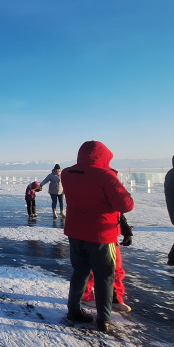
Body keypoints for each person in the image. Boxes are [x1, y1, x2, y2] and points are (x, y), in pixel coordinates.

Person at [63, 141, 134, 333]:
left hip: (76, 232)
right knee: (105, 276)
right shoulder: (106, 175)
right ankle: (104, 319)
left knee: (80, 272)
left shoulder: (67, 173)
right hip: (101, 234)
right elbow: (126, 205)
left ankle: (74, 310)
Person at [82, 213, 133, 312]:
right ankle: (85, 295)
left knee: (115, 269)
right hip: (91, 233)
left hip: (110, 234)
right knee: (90, 268)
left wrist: (127, 232)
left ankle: (115, 298)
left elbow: (120, 210)